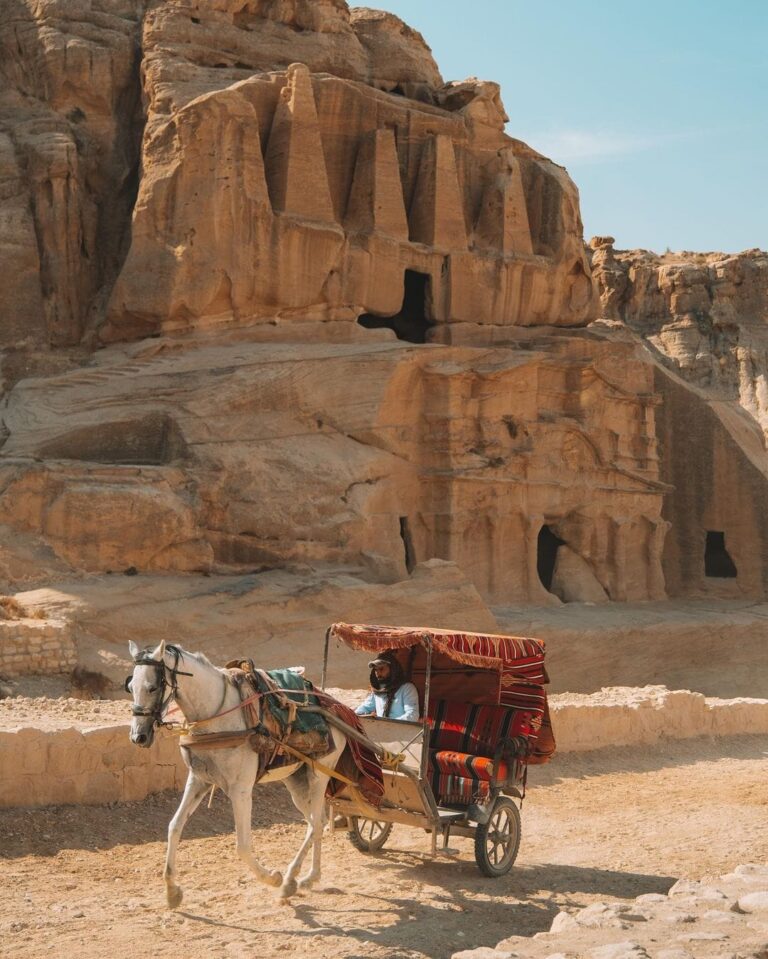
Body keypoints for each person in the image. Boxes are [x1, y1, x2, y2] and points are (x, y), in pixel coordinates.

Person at [355, 651, 420, 721]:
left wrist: (391, 725)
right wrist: (355, 716)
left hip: (402, 730)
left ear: (392, 669)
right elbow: (365, 708)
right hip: (382, 729)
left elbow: (412, 715)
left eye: (381, 669)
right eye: (376, 670)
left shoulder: (407, 688)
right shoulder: (378, 690)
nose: (378, 673)